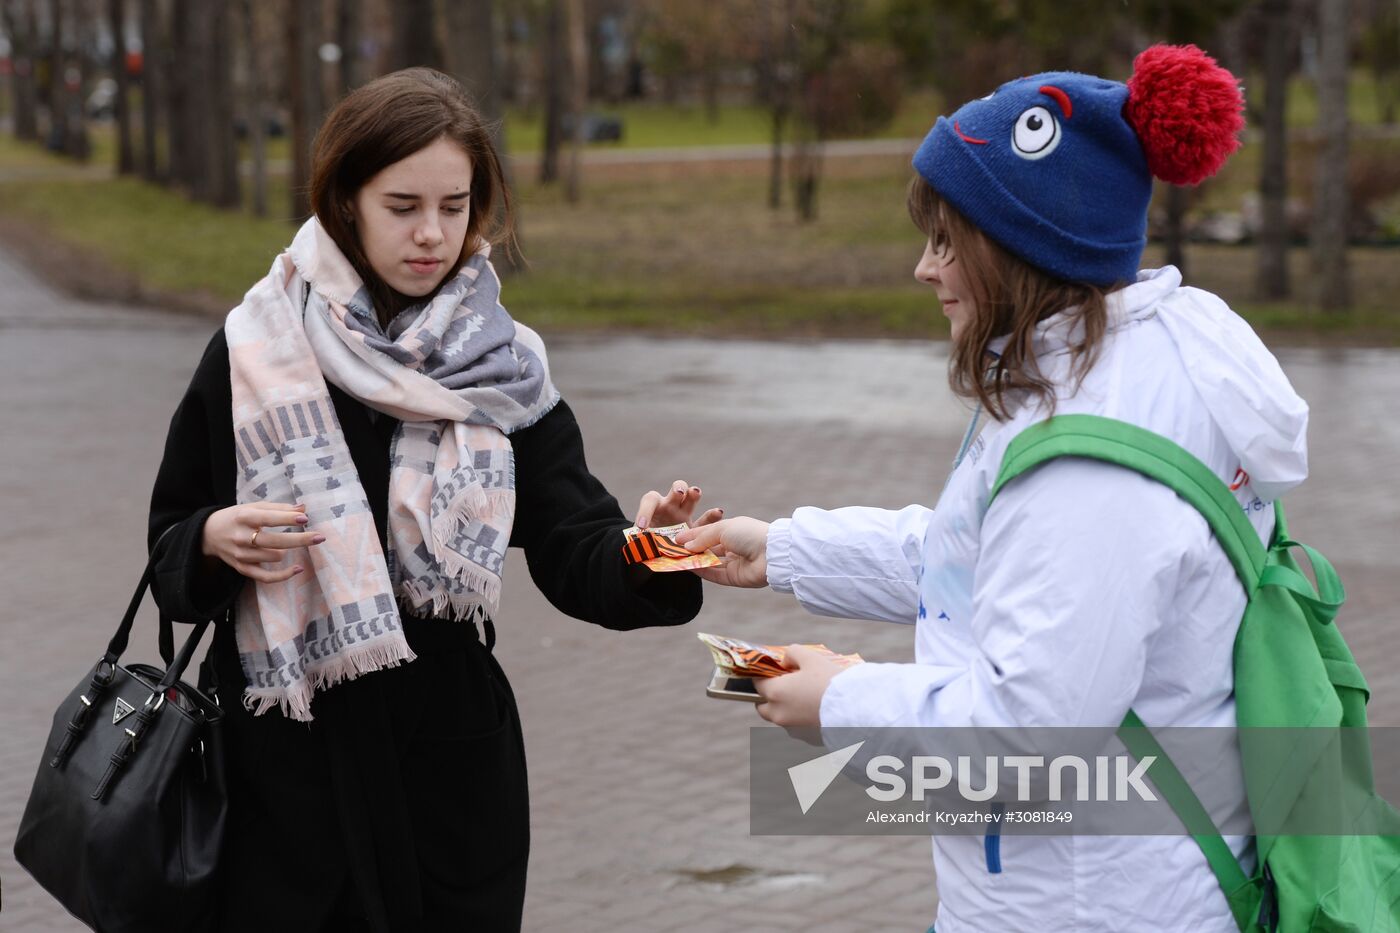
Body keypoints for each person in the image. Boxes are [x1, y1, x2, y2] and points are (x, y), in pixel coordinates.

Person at [678, 45, 1309, 932]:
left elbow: (1026, 736)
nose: (924, 269)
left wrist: (838, 698)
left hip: (1089, 906)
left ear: (1022, 248)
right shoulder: (1130, 368)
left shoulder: (1093, 467)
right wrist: (782, 549)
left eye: (947, 241)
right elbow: (991, 560)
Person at [147, 68, 714, 932]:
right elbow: (169, 547)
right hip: (285, 778)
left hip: (445, 778)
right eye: (402, 205)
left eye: (454, 206)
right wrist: (213, 539)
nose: (432, 233)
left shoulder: (503, 366)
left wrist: (656, 548)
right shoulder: (256, 351)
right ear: (345, 201)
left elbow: (574, 542)